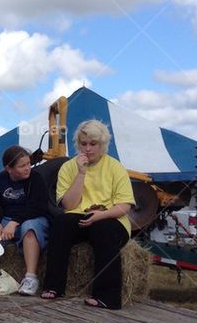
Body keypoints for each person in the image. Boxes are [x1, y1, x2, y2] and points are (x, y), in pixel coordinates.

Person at [41, 120, 135, 309]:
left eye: (93, 144)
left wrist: (101, 215)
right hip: (79, 215)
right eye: (83, 144)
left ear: (103, 145)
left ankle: (107, 297)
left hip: (110, 216)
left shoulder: (116, 167)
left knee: (104, 230)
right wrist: (81, 173)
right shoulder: (69, 167)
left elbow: (124, 206)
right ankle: (54, 286)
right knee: (61, 223)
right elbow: (69, 205)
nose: (88, 148)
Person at [0, 145, 50, 296]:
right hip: (5, 219)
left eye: (29, 164)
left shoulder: (36, 179)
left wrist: (15, 222)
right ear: (9, 169)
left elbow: (38, 206)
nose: (27, 168)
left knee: (29, 228)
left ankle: (31, 277)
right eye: (22, 166)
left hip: (30, 218)